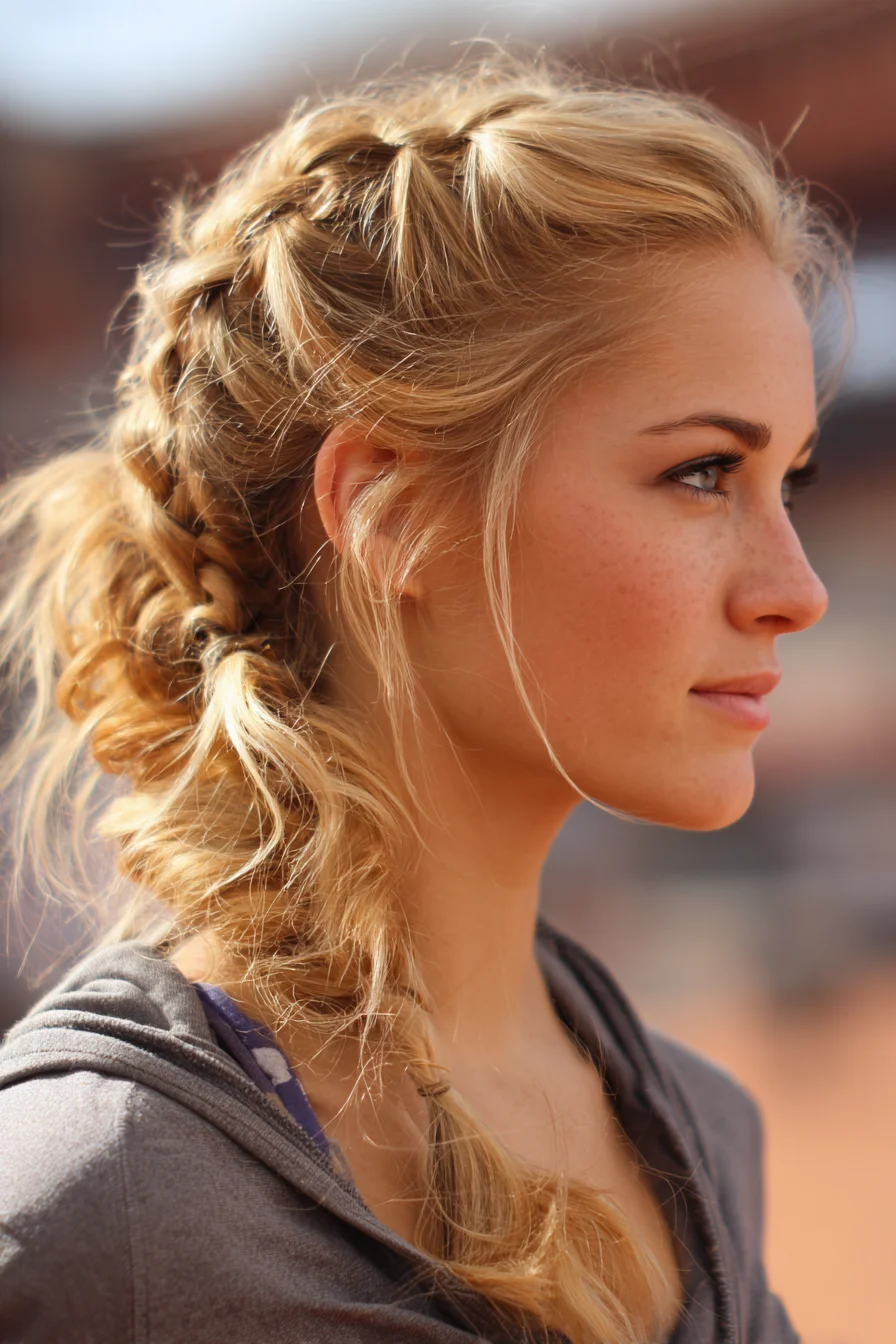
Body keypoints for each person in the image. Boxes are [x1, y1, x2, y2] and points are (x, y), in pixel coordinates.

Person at [0, 54, 850, 1344]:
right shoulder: (94, 1199)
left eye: (788, 479)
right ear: (390, 513)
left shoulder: (702, 1131)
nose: (798, 590)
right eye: (700, 472)